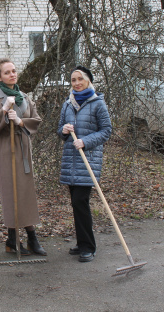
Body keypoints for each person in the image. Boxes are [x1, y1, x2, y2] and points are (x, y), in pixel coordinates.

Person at [0, 58, 46, 256]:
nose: (12, 74)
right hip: (5, 148)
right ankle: (12, 238)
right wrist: (3, 110)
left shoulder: (24, 96)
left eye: (14, 71)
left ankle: (31, 238)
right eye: (7, 72)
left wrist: (19, 121)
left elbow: (36, 120)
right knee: (10, 192)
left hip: (23, 147)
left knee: (25, 192)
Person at [57, 66, 112, 262]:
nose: (76, 83)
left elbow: (106, 131)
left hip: (88, 160)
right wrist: (64, 130)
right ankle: (81, 243)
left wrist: (86, 141)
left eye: (80, 79)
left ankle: (89, 246)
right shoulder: (68, 104)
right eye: (73, 80)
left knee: (81, 201)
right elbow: (60, 131)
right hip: (71, 161)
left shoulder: (98, 103)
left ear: (88, 80)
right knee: (76, 203)